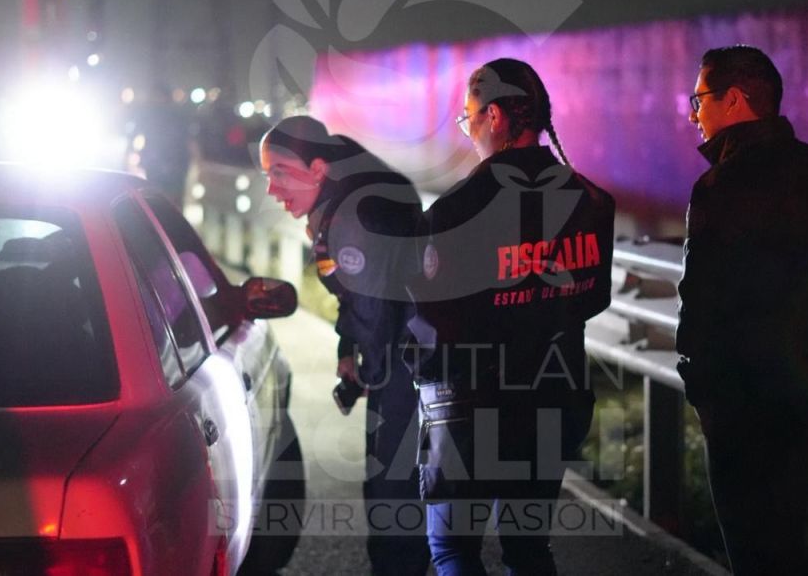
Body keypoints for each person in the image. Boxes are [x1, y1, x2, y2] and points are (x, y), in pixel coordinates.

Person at [408, 58, 615, 575]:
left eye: (468, 117)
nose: (468, 129)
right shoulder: (590, 200)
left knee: (454, 549)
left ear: (495, 117)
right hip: (555, 397)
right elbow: (592, 299)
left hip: (473, 407)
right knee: (528, 549)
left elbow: (432, 325)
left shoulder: (456, 211)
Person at [676, 45, 808, 575]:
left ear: (734, 99)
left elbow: (702, 303)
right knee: (785, 534)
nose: (693, 115)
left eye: (699, 100)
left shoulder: (720, 186)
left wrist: (702, 386)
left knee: (751, 547)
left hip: (739, 401)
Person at [258, 116, 430, 576]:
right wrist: (345, 350)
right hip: (413, 357)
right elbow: (362, 297)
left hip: (404, 365)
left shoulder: (351, 218)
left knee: (393, 493)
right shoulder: (351, 200)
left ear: (318, 169)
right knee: (400, 489)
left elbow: (373, 310)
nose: (272, 189)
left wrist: (369, 374)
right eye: (267, 176)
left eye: (279, 172)